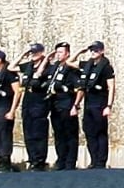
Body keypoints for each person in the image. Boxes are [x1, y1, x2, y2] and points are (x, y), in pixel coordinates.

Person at [42, 41, 82, 170]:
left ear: (67, 54)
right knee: (58, 134)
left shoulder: (71, 69)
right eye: (57, 52)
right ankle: (61, 160)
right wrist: (47, 59)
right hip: (55, 105)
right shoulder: (54, 68)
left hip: (67, 104)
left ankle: (70, 162)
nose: (58, 55)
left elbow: (79, 88)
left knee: (70, 134)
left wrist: (75, 106)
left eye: (61, 52)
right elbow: (40, 74)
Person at [78, 40, 116, 169]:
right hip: (88, 103)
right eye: (91, 50)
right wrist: (81, 51)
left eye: (96, 50)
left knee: (100, 133)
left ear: (102, 51)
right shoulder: (88, 65)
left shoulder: (106, 67)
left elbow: (111, 87)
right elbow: (70, 62)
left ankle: (101, 161)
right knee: (89, 132)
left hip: (100, 103)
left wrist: (109, 106)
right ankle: (93, 159)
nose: (93, 52)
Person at [18, 41, 51, 171]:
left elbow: (40, 76)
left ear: (42, 53)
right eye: (31, 52)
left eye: (35, 52)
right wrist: (22, 55)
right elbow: (12, 67)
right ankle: (32, 159)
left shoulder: (48, 67)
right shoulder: (28, 66)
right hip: (28, 101)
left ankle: (40, 160)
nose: (33, 55)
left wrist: (45, 60)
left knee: (39, 132)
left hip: (39, 102)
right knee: (28, 132)